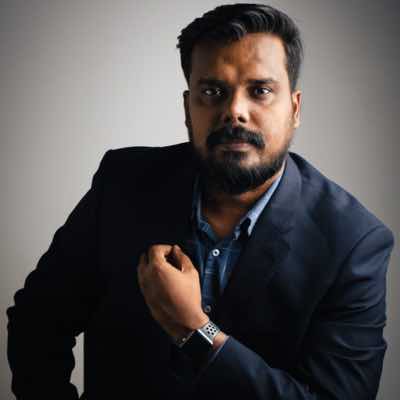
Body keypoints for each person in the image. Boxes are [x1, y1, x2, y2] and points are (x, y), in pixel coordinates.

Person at [7, 3, 394, 400]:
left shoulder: (353, 243)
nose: (235, 111)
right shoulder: (122, 184)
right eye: (212, 92)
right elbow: (37, 321)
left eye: (260, 91)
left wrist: (194, 330)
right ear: (187, 108)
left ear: (294, 109)